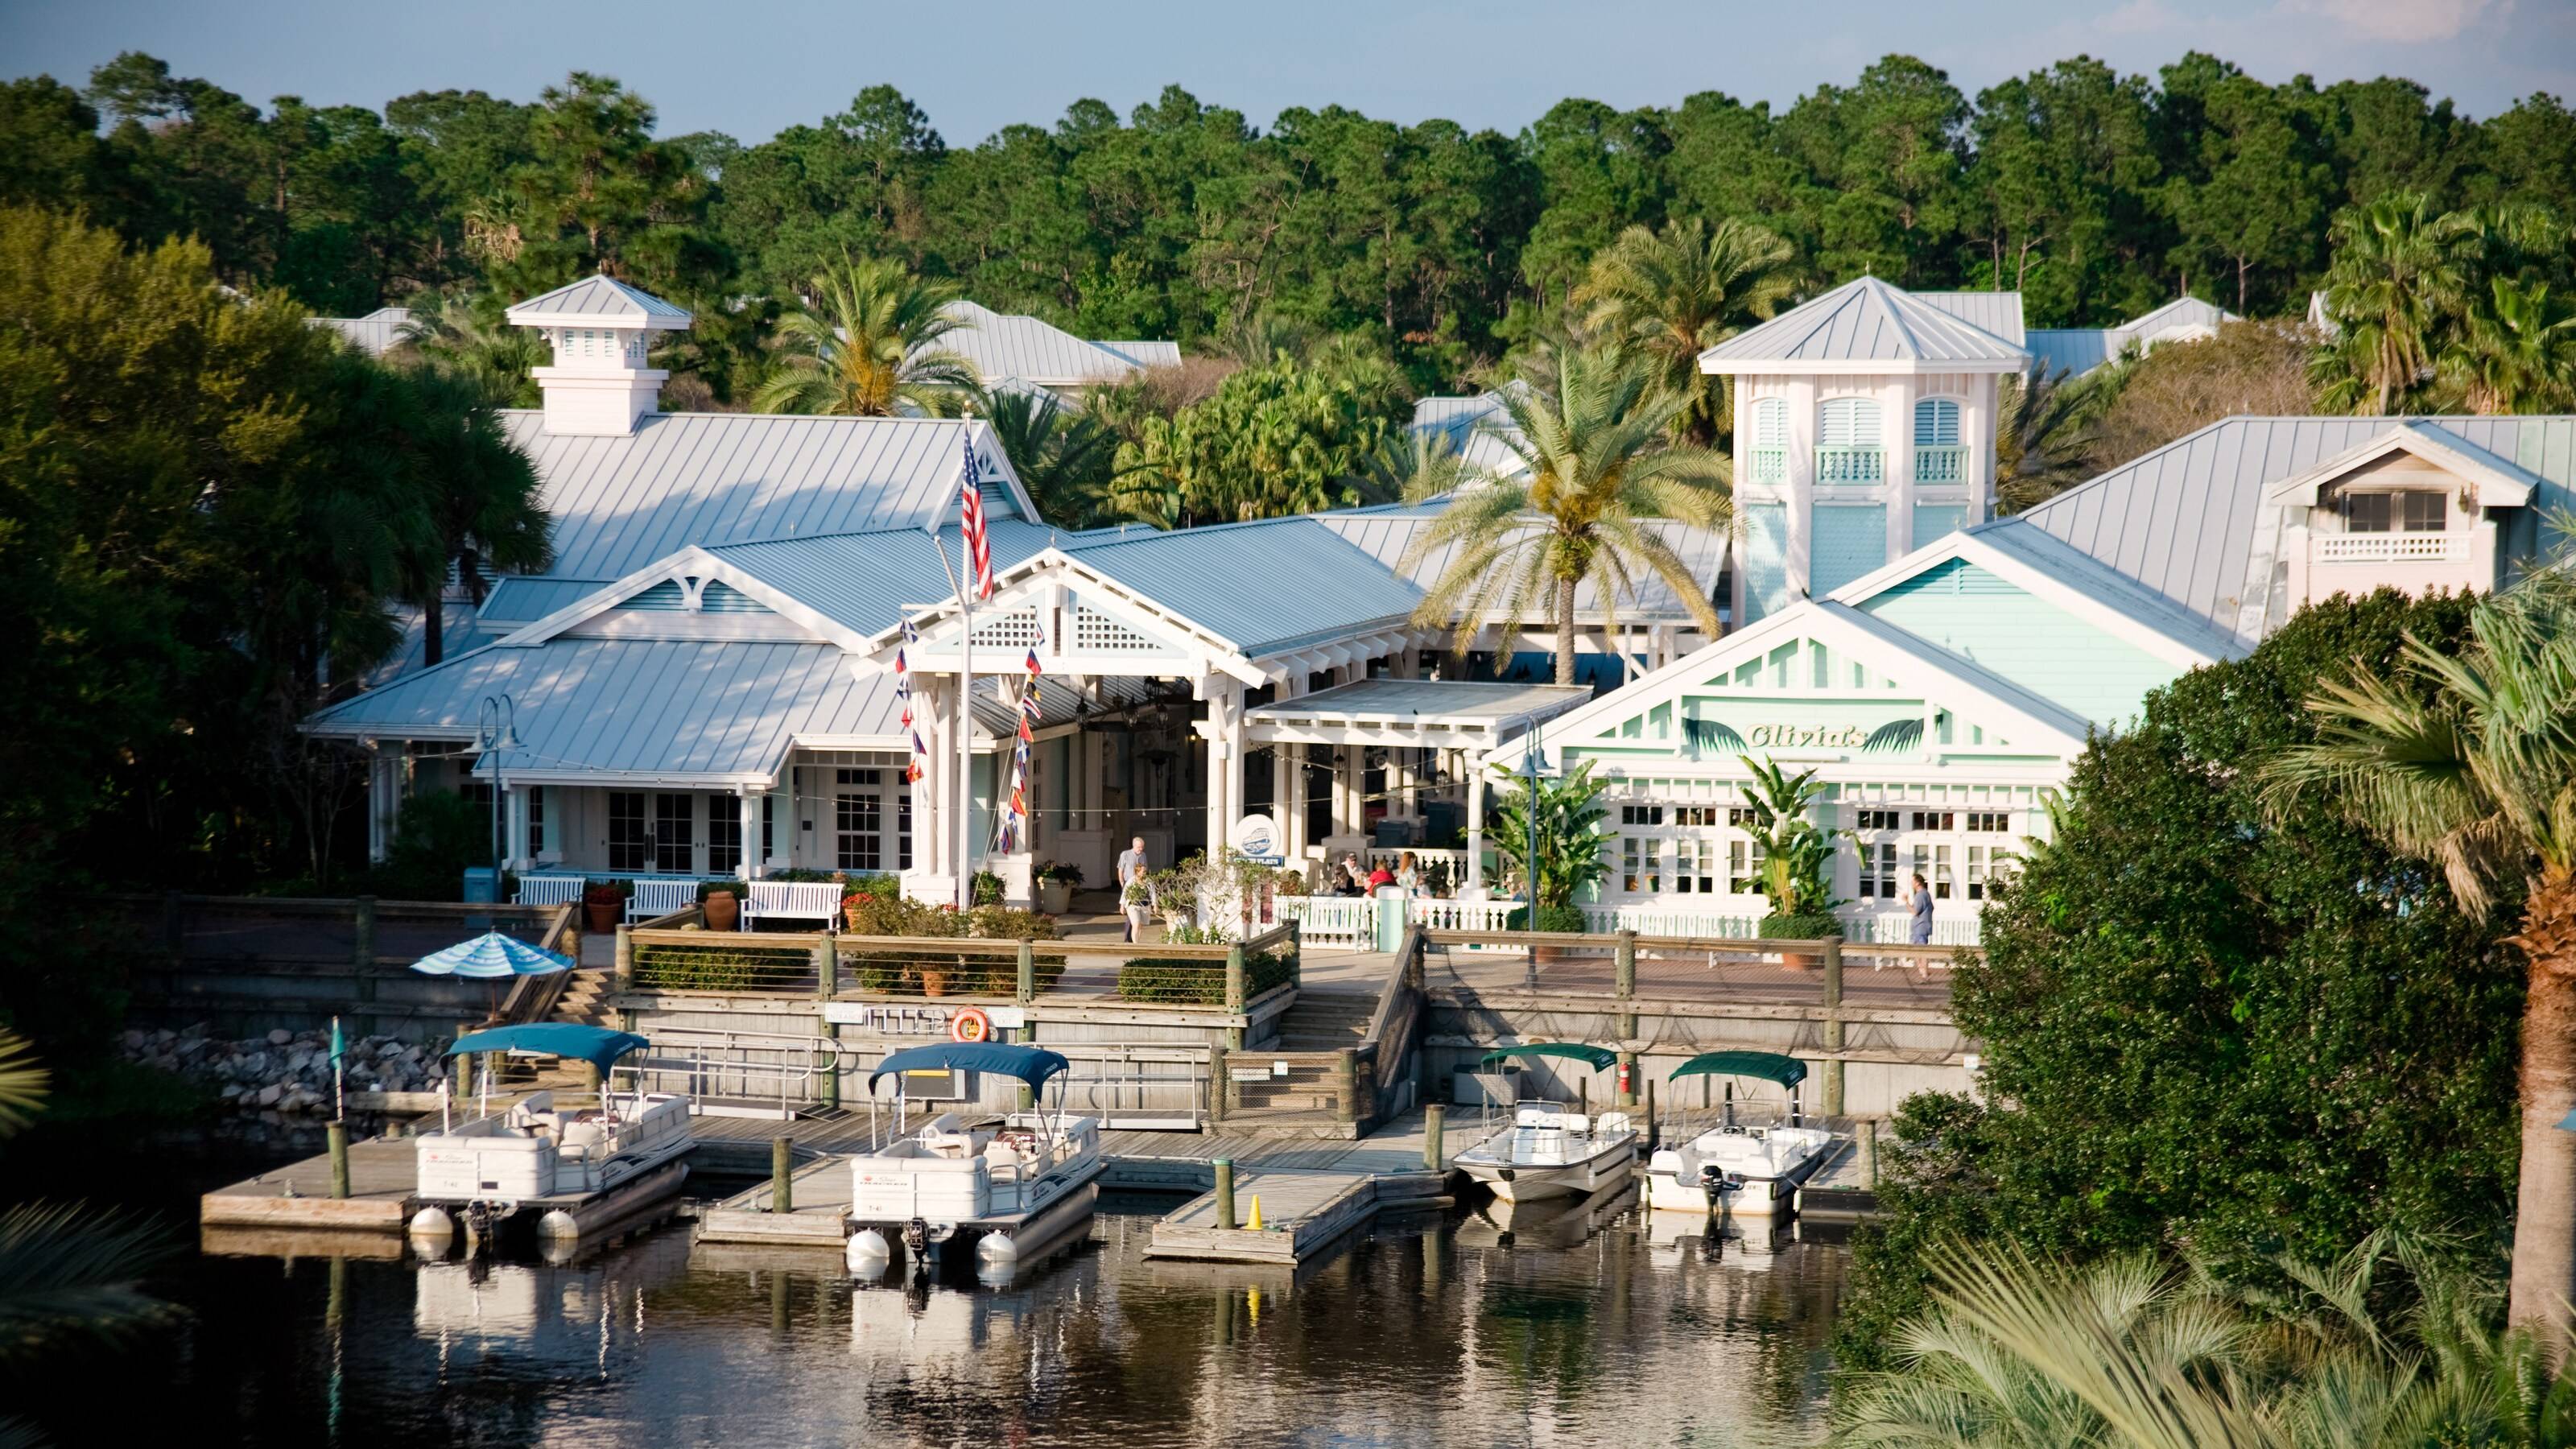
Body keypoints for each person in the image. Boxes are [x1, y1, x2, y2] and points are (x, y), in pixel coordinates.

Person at [1117, 837, 1152, 943]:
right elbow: (1120, 869)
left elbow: (1145, 869)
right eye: (1138, 847)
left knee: (1136, 917)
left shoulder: (1143, 855)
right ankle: (1128, 939)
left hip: (1140, 886)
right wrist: (1122, 882)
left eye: (1142, 847)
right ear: (1133, 846)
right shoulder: (1125, 854)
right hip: (1128, 884)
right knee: (1130, 914)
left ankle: (1133, 938)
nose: (1140, 849)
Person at [1908, 871, 1934, 946]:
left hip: (1920, 928)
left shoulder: (1921, 895)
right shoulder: (1926, 894)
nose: (1911, 884)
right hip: (1922, 928)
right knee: (1918, 954)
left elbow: (1915, 912)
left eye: (1913, 882)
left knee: (1920, 953)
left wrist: (1906, 902)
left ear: (1918, 883)